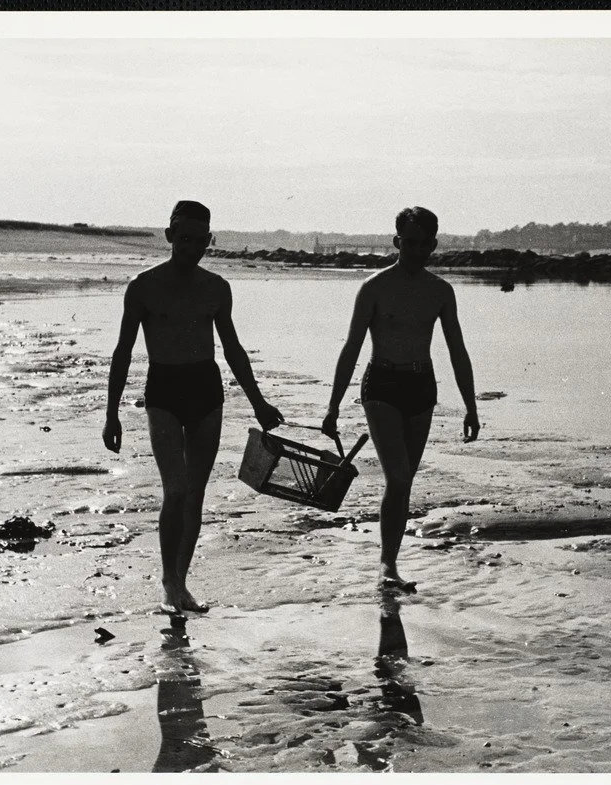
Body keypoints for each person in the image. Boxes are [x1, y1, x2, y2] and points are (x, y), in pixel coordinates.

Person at [103, 200, 283, 613]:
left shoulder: (216, 288)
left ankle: (181, 583)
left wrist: (258, 402)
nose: (192, 248)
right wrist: (112, 413)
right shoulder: (144, 287)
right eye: (184, 239)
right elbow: (123, 352)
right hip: (164, 389)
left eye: (200, 241)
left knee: (196, 495)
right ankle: (169, 582)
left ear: (208, 241)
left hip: (206, 388)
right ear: (169, 236)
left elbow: (233, 349)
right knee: (176, 490)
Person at [322, 206, 479, 592]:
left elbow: (457, 350)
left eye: (425, 244)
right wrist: (333, 406)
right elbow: (351, 348)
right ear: (397, 242)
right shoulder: (374, 288)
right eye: (410, 243)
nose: (417, 250)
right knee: (397, 475)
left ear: (434, 245)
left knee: (405, 480)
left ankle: (389, 562)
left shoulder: (440, 291)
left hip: (421, 386)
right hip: (382, 386)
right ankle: (386, 567)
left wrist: (472, 406)